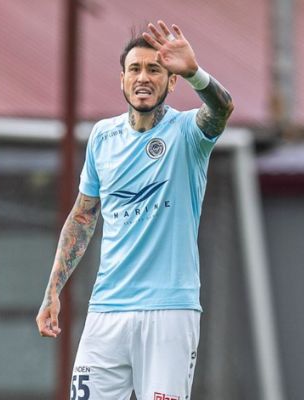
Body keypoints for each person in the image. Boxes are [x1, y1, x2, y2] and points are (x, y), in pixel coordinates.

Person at [36, 20, 234, 400]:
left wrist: (195, 72)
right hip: (107, 310)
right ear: (122, 79)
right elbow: (83, 216)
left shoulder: (187, 133)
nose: (143, 77)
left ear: (171, 82)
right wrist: (52, 291)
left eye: (154, 69)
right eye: (135, 69)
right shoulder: (103, 137)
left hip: (169, 312)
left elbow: (222, 109)